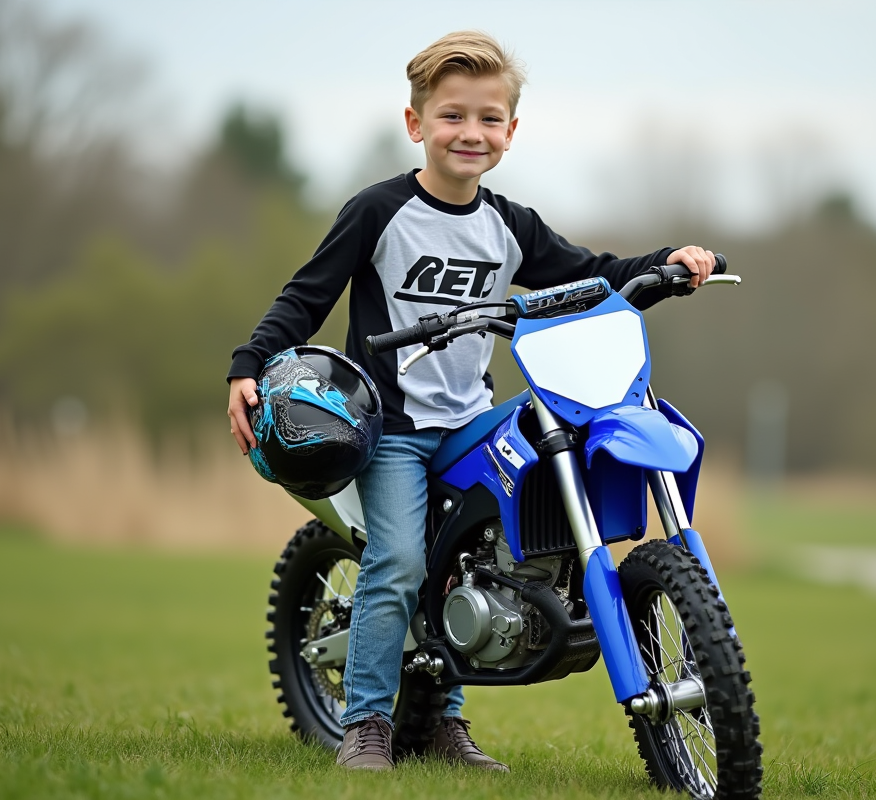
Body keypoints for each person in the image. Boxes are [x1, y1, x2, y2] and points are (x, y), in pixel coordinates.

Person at [226, 30, 716, 772]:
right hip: (392, 429)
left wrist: (669, 265)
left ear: (511, 133)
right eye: (452, 116)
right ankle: (366, 724)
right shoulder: (378, 211)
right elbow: (307, 295)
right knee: (396, 561)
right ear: (416, 124)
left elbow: (592, 274)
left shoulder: (508, 225)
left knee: (477, 562)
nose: (471, 133)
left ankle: (446, 721)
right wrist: (248, 364)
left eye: (489, 119)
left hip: (470, 422)